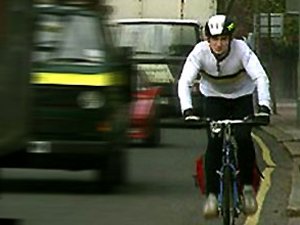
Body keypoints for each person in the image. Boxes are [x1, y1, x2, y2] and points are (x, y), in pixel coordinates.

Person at [177, 14, 271, 218]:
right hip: (213, 99)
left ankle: (247, 188)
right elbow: (184, 82)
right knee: (214, 142)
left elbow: (260, 77)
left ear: (230, 39)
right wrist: (188, 110)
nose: (219, 44)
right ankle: (211, 195)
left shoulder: (242, 50)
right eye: (214, 39)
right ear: (207, 40)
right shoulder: (199, 53)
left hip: (241, 98)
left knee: (244, 138)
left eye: (224, 39)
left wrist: (264, 106)